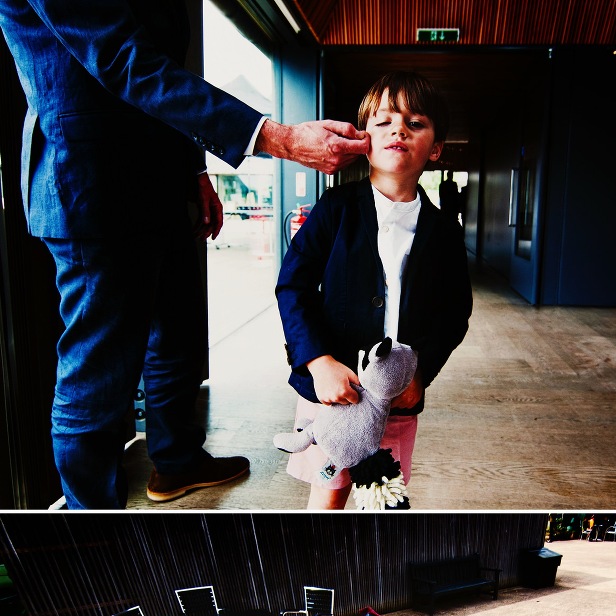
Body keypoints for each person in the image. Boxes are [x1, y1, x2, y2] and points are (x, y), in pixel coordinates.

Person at [0, 0, 369, 509]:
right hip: (91, 184)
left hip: (160, 183)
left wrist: (194, 173)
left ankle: (176, 464)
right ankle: (91, 522)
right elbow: (121, 59)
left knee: (177, 337)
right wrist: (277, 139)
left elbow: (163, 68)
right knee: (98, 372)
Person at [276, 71, 473, 509]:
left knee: (382, 500)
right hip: (332, 391)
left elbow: (455, 312)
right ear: (364, 139)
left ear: (436, 149)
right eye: (384, 122)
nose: (399, 129)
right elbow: (293, 286)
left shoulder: (443, 231)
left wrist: (422, 372)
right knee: (327, 498)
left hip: (396, 397)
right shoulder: (335, 210)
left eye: (415, 123)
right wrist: (318, 361)